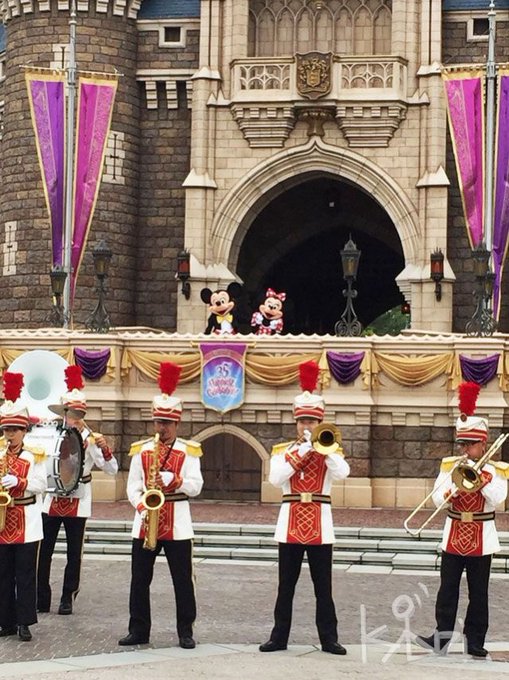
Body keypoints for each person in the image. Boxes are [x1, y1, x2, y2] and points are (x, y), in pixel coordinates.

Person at [259, 360, 350, 655]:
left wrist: (324, 451)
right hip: (290, 523)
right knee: (286, 586)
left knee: (323, 587)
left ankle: (329, 638)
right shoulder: (283, 451)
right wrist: (300, 452)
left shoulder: (330, 450)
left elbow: (343, 473)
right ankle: (279, 637)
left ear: (320, 423)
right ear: (296, 423)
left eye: (312, 422)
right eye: (302, 422)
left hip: (321, 525)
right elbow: (275, 479)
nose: (307, 426)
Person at [415, 381, 509, 658]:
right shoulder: (449, 466)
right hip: (454, 531)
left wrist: (479, 481)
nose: (466, 449)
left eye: (471, 444)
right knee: (447, 590)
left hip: (482, 534)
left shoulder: (496, 469)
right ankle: (441, 638)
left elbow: (499, 499)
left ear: (483, 444)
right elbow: (434, 500)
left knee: (479, 593)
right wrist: (450, 489)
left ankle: (476, 640)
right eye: (463, 444)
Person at [118, 361, 203, 649]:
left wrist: (176, 480)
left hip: (177, 522)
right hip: (145, 523)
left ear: (177, 423)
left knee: (183, 581)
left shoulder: (189, 451)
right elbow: (132, 487)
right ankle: (138, 630)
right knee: (138, 581)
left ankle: (185, 631)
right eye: (158, 422)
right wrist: (142, 507)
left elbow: (197, 486)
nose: (161, 428)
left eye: (166, 423)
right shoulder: (142, 450)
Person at [37, 365, 118, 615]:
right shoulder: (51, 433)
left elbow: (112, 469)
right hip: (51, 497)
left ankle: (67, 597)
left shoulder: (91, 437)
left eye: (76, 413)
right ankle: (41, 597)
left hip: (78, 497)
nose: (72, 416)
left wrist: (105, 450)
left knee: (74, 553)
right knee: (44, 551)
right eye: (68, 412)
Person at [0, 372, 47, 642]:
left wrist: (18, 480)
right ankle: (5, 621)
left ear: (24, 431)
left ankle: (24, 622)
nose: (10, 435)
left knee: (25, 574)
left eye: (14, 430)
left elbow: (41, 484)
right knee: (3, 574)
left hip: (27, 520)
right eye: (6, 430)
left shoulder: (35, 454)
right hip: (3, 520)